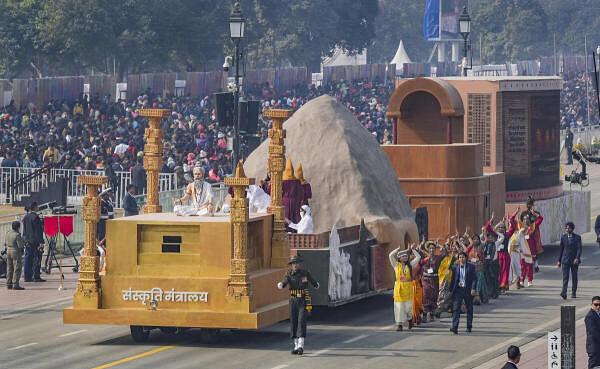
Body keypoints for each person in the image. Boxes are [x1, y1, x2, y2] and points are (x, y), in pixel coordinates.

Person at [277, 255, 319, 355]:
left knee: (301, 321)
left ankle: (301, 346)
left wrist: (315, 284)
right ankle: (295, 346)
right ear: (291, 265)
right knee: (294, 322)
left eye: (296, 263)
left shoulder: (304, 273)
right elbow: (285, 282)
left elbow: (312, 280)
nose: (295, 265)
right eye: (293, 263)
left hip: (303, 300)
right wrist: (282, 285)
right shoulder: (289, 274)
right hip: (293, 300)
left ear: (298, 264)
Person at [389, 244, 421, 331]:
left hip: (408, 288)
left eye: (406, 256)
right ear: (399, 258)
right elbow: (390, 255)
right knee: (399, 307)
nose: (405, 257)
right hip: (399, 289)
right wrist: (396, 250)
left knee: (408, 307)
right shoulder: (396, 265)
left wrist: (412, 249)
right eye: (403, 256)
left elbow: (418, 257)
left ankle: (410, 320)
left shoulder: (410, 265)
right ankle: (399, 325)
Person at [449, 251, 477, 334]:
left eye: (463, 257)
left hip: (468, 290)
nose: (461, 259)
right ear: (458, 259)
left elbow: (475, 279)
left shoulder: (471, 267)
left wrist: (473, 288)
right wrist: (451, 291)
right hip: (458, 290)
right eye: (460, 257)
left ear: (466, 258)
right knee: (456, 308)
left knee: (469, 308)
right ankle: (455, 327)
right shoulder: (455, 267)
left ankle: (469, 326)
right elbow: (453, 280)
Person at [557, 222, 582, 299]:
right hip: (565, 260)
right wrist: (559, 260)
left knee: (574, 277)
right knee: (565, 277)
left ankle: (573, 292)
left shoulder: (577, 237)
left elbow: (579, 249)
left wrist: (577, 258)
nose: (567, 229)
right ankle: (564, 292)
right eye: (566, 228)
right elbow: (561, 249)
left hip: (574, 261)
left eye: (568, 228)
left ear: (572, 228)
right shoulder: (563, 237)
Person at [421, 241, 444, 322]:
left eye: (433, 248)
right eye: (430, 248)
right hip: (426, 280)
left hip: (434, 280)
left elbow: (445, 253)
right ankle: (424, 315)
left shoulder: (438, 258)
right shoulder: (424, 258)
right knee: (425, 296)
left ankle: (431, 315)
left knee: (434, 296)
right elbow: (419, 266)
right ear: (428, 249)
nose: (431, 250)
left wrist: (439, 245)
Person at [22, 202, 45, 282]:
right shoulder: (35, 217)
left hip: (27, 240)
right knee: (37, 258)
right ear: (35, 207)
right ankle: (36, 276)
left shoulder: (25, 217)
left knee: (28, 259)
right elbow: (38, 231)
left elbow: (24, 230)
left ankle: (27, 276)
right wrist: (41, 242)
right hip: (35, 241)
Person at [5, 221, 26, 290]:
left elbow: (5, 243)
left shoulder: (8, 233)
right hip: (15, 252)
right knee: (17, 268)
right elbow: (20, 245)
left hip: (8, 250)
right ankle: (15, 284)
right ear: (18, 227)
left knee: (9, 268)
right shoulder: (17, 235)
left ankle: (8, 283)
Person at [585, 296, 600, 369]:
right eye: (596, 304)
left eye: (599, 305)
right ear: (591, 304)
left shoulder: (598, 314)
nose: (598, 306)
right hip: (594, 346)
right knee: (593, 365)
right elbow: (593, 332)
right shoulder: (590, 316)